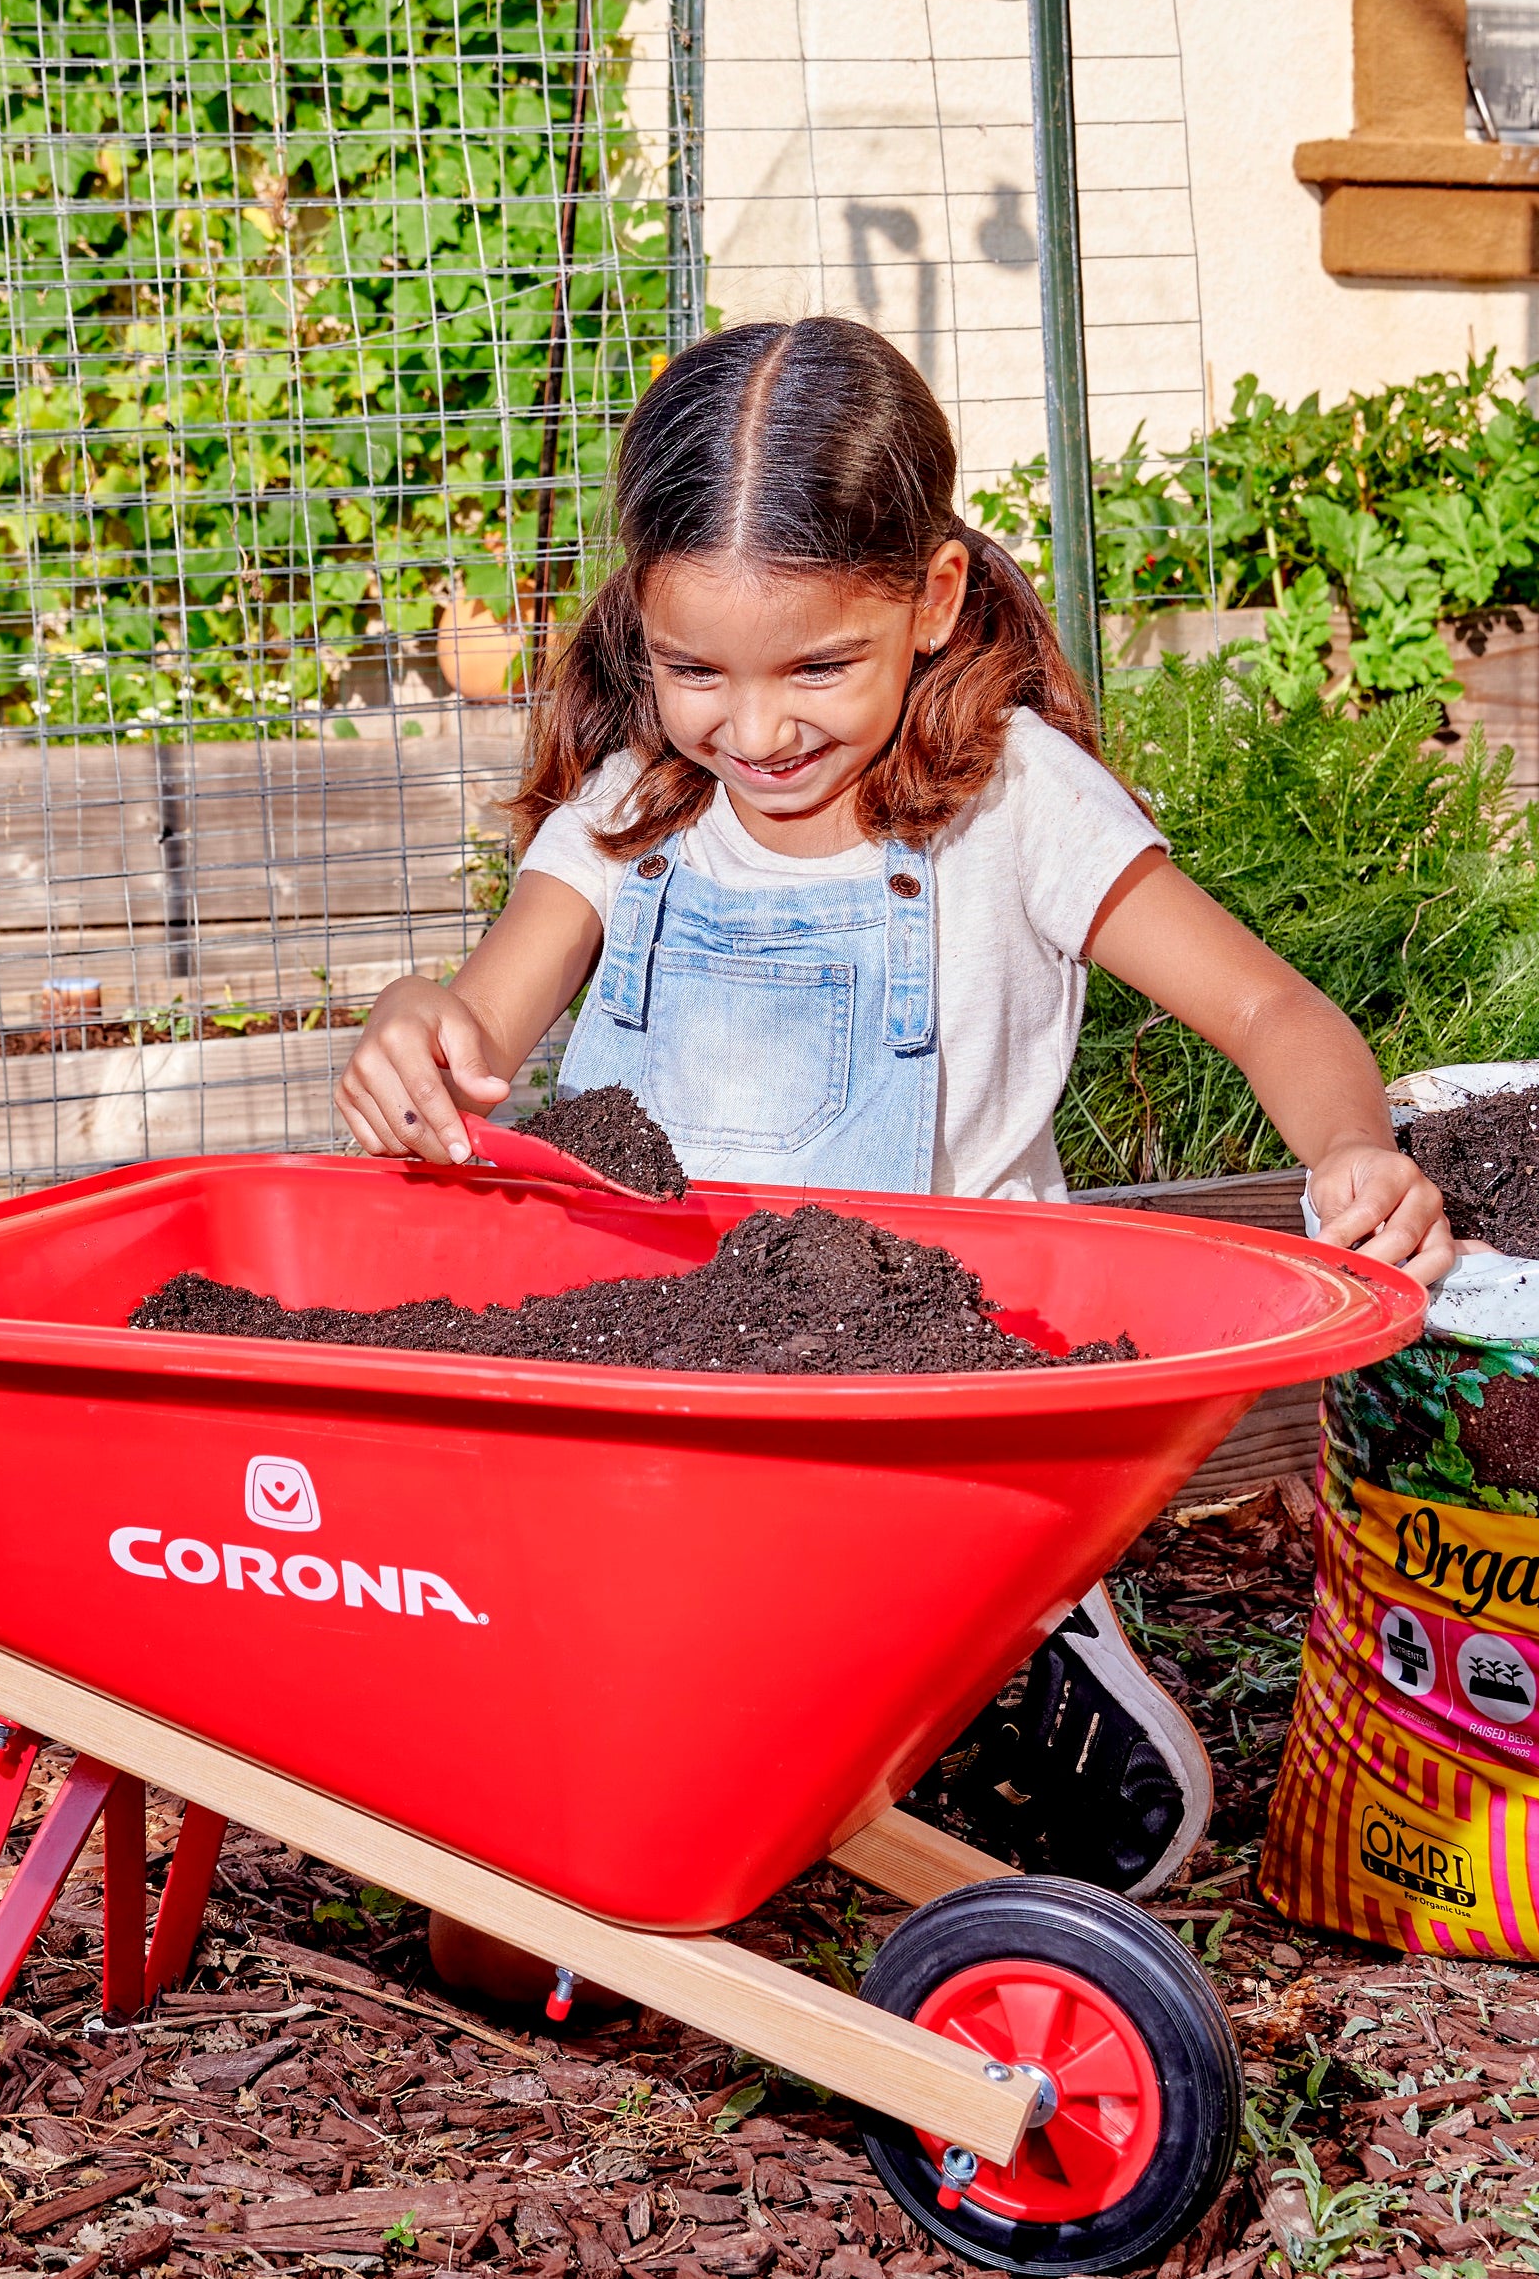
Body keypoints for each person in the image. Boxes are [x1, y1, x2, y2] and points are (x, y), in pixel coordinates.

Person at [340, 316, 1456, 1906]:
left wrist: (1350, 1150)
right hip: (653, 1394)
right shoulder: (630, 817)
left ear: (931, 601)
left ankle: (1006, 1621)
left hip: (933, 1400)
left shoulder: (1015, 806)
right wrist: (407, 1031)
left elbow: (1272, 1008)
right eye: (693, 671)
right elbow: (467, 1028)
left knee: (777, 1724)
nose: (756, 730)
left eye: (820, 666)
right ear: (634, 629)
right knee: (509, 1941)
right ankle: (803, 1706)